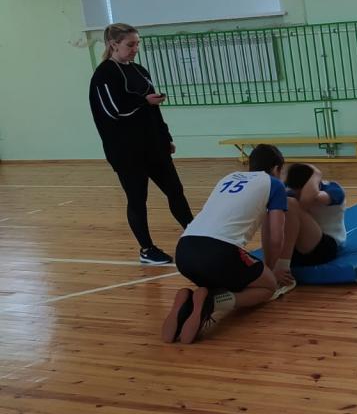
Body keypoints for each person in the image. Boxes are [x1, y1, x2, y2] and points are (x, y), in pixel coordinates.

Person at [161, 144, 296, 344]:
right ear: (277, 169)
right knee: (268, 287)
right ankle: (212, 304)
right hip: (219, 252)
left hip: (184, 251)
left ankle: (189, 303)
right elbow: (276, 236)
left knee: (225, 277)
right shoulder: (274, 184)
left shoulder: (228, 177)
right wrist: (271, 270)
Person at [88, 22, 193, 265]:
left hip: (153, 145)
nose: (135, 49)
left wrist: (165, 137)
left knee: (175, 191)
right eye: (130, 44)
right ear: (113, 44)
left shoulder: (140, 70)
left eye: (137, 44)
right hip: (126, 151)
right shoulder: (104, 74)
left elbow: (153, 111)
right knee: (137, 199)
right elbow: (113, 110)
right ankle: (147, 249)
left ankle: (195, 232)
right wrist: (144, 101)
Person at [283, 163, 347, 268]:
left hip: (327, 247)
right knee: (275, 208)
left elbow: (307, 200)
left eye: (299, 192)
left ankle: (283, 264)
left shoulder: (334, 190)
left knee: (289, 203)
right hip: (304, 246)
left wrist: (316, 174)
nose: (296, 195)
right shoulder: (292, 192)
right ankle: (276, 262)